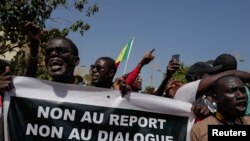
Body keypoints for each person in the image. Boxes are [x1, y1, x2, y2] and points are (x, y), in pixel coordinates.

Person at [190, 75, 250, 141]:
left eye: (242, 90)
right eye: (231, 91)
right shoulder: (200, 129)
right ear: (215, 98)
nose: (241, 96)